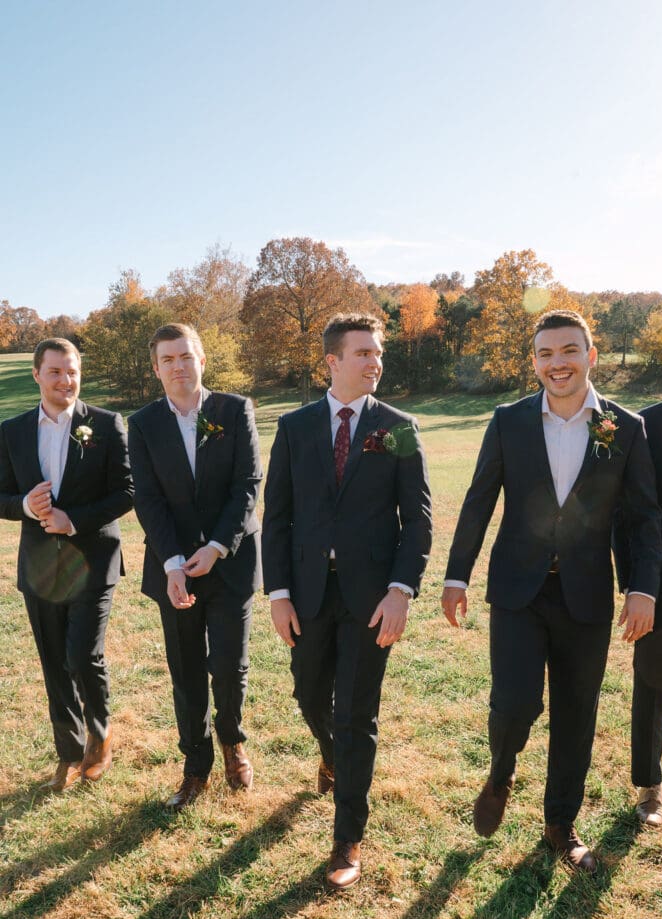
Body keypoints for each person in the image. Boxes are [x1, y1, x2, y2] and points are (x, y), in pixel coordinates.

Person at [441, 309, 662, 871]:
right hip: (518, 589)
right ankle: (501, 769)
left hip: (586, 595)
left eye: (568, 351)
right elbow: (478, 500)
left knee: (576, 713)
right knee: (513, 705)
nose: (556, 363)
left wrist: (643, 588)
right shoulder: (508, 420)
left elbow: (644, 517)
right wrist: (456, 574)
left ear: (590, 356)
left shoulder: (626, 427)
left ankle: (560, 823)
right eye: (545, 353)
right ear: (534, 361)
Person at [262, 312, 432, 889]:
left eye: (378, 352)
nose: (374, 362)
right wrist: (279, 594)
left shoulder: (399, 426)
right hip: (307, 592)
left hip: (370, 599)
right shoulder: (294, 426)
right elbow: (277, 518)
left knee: (356, 712)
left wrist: (400, 590)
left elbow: (420, 520)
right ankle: (330, 752)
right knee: (310, 693)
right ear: (332, 361)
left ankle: (347, 840)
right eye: (362, 353)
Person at [127, 323, 262, 811]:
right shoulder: (142, 425)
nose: (178, 367)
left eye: (186, 356)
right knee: (185, 671)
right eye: (168, 360)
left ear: (202, 360)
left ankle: (233, 742)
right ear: (157, 368)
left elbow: (248, 482)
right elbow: (148, 498)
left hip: (229, 562)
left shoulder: (234, 409)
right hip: (175, 571)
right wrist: (173, 563)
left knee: (228, 666)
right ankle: (195, 767)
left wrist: (220, 545)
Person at [0, 338, 133, 790]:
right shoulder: (12, 430)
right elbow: (1, 496)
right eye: (55, 371)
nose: (66, 379)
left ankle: (100, 735)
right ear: (37, 374)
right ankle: (68, 753)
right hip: (39, 565)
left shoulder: (106, 424)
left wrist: (71, 519)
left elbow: (127, 491)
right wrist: (24, 505)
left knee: (81, 654)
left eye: (72, 370)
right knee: (54, 661)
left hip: (93, 560)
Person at [614, 334, 662, 828]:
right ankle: (649, 787)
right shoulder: (649, 425)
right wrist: (637, 585)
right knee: (652, 687)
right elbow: (629, 511)